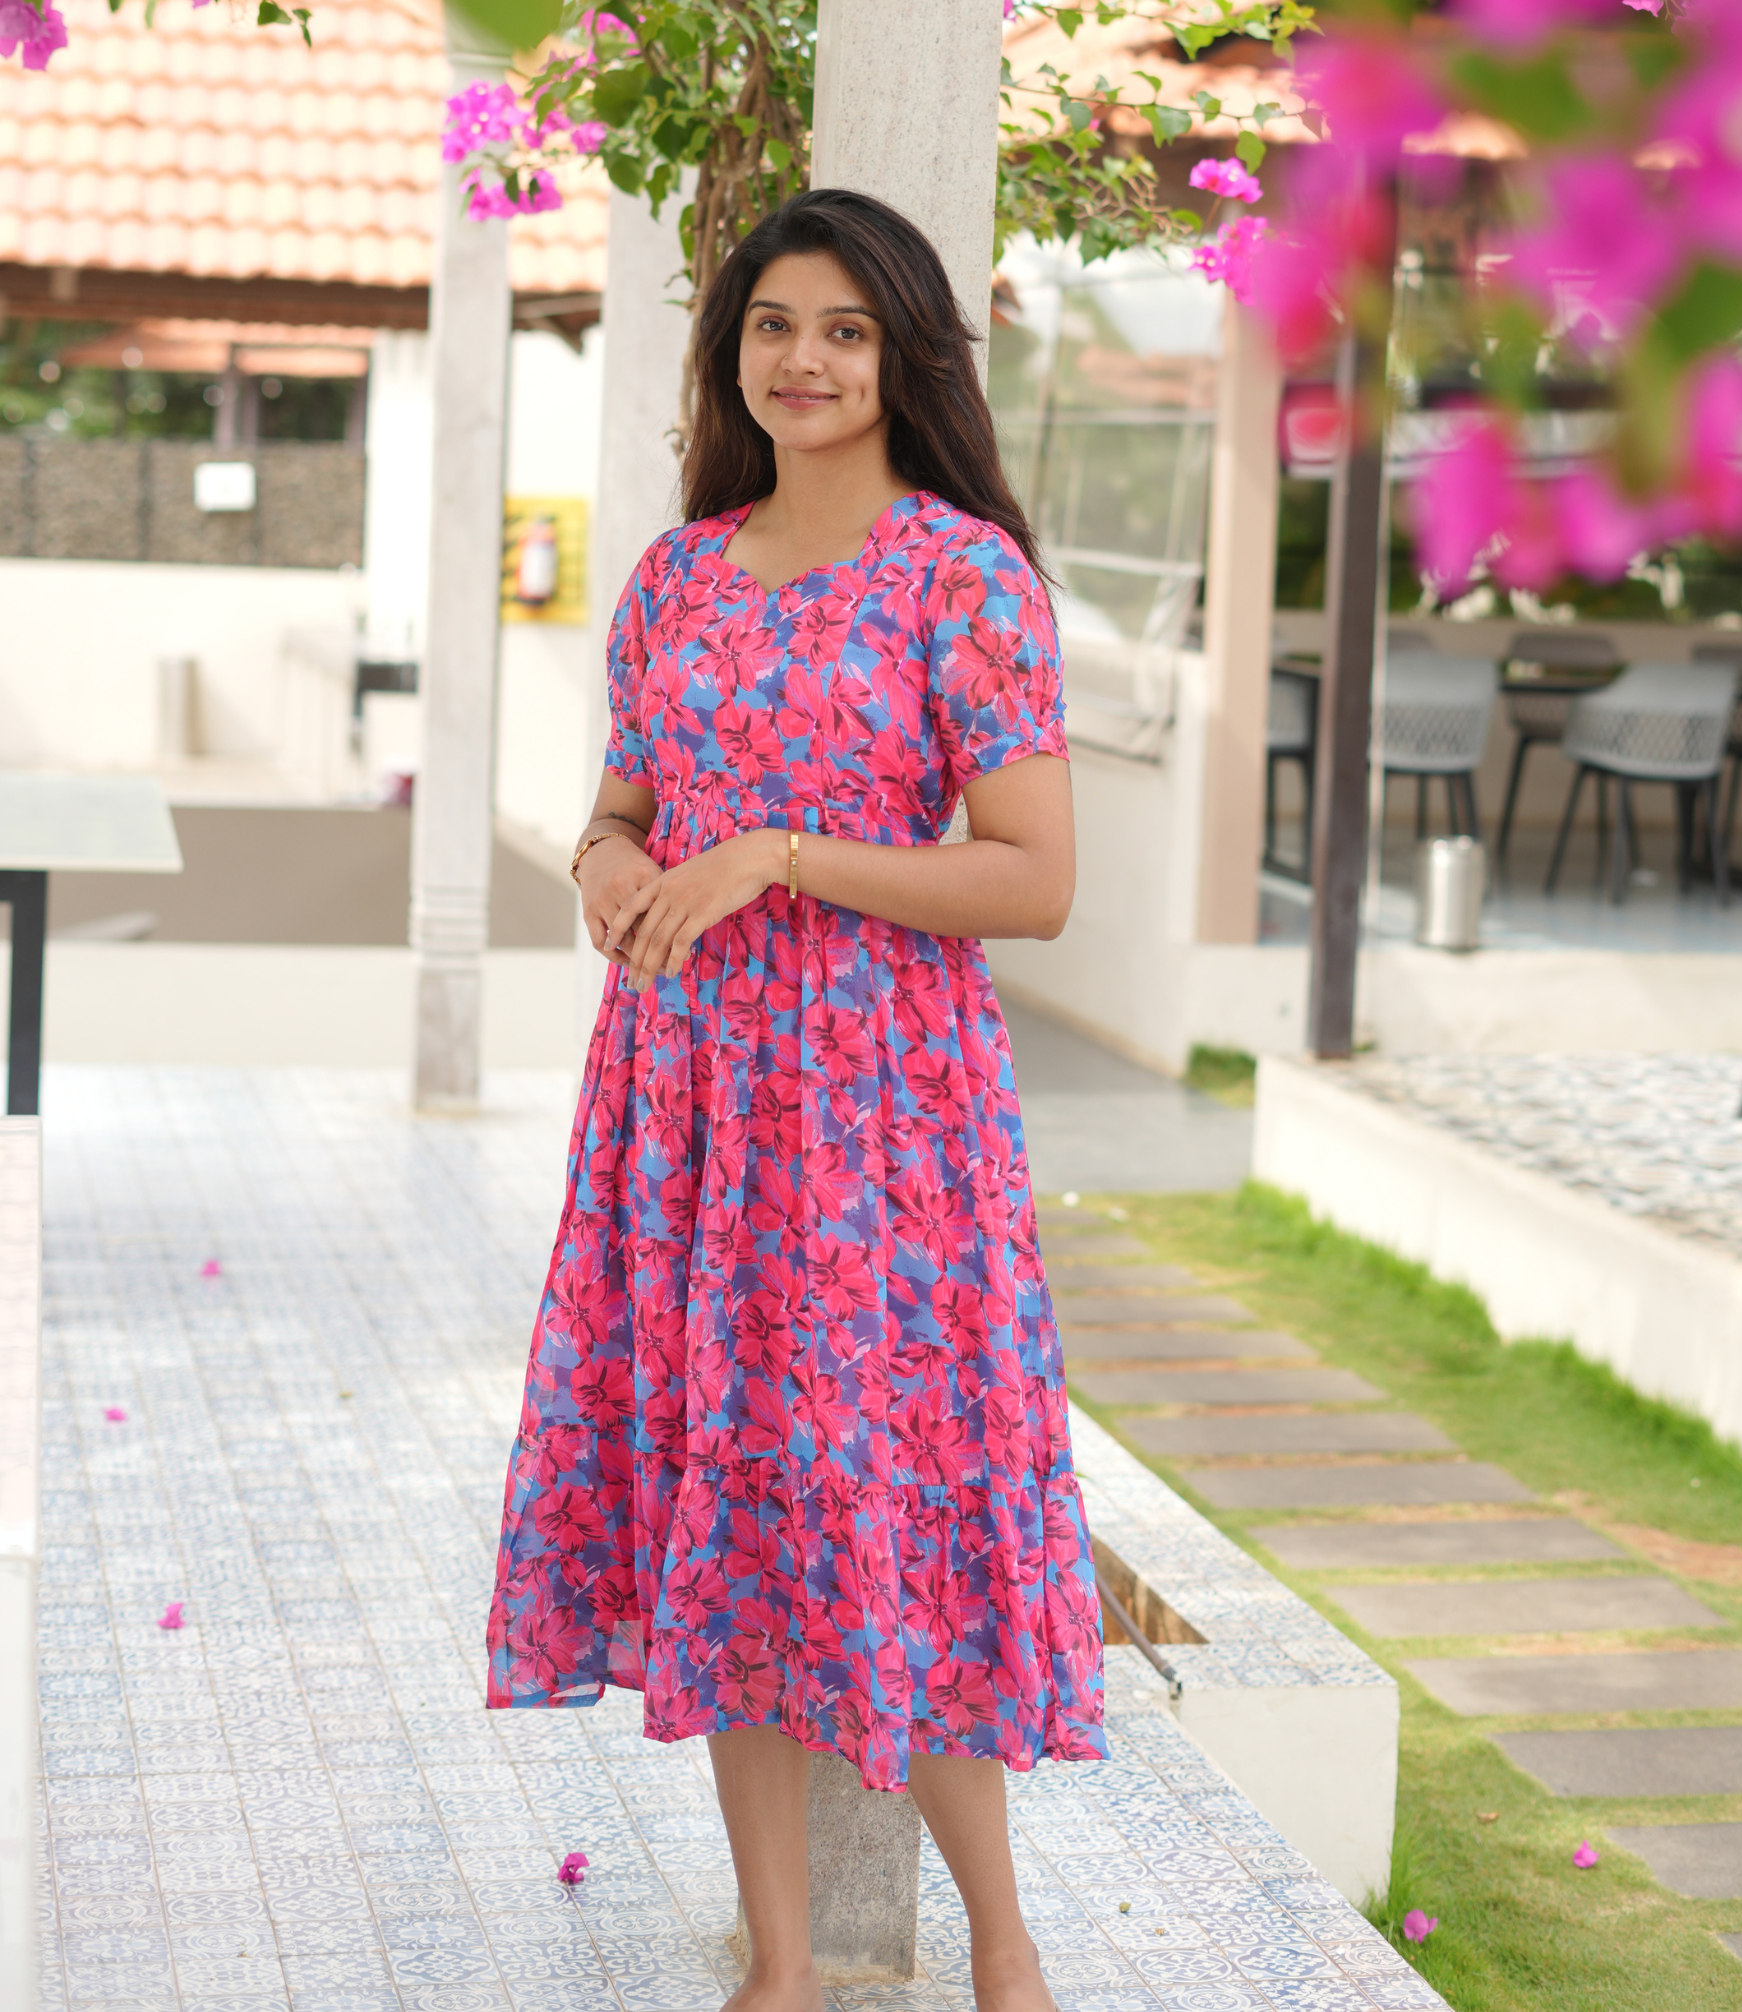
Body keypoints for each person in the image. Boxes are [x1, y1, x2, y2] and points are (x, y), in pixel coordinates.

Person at [486, 187, 1106, 2012]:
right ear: (731, 350)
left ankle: (1004, 1947)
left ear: (902, 356)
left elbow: (1031, 880)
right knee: (731, 1507)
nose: (805, 360)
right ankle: (782, 1964)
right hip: (683, 1112)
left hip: (880, 1124)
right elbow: (621, 805)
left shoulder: (962, 579)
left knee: (901, 1499)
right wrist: (605, 862)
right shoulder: (677, 576)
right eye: (774, 325)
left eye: (845, 329)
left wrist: (778, 853)